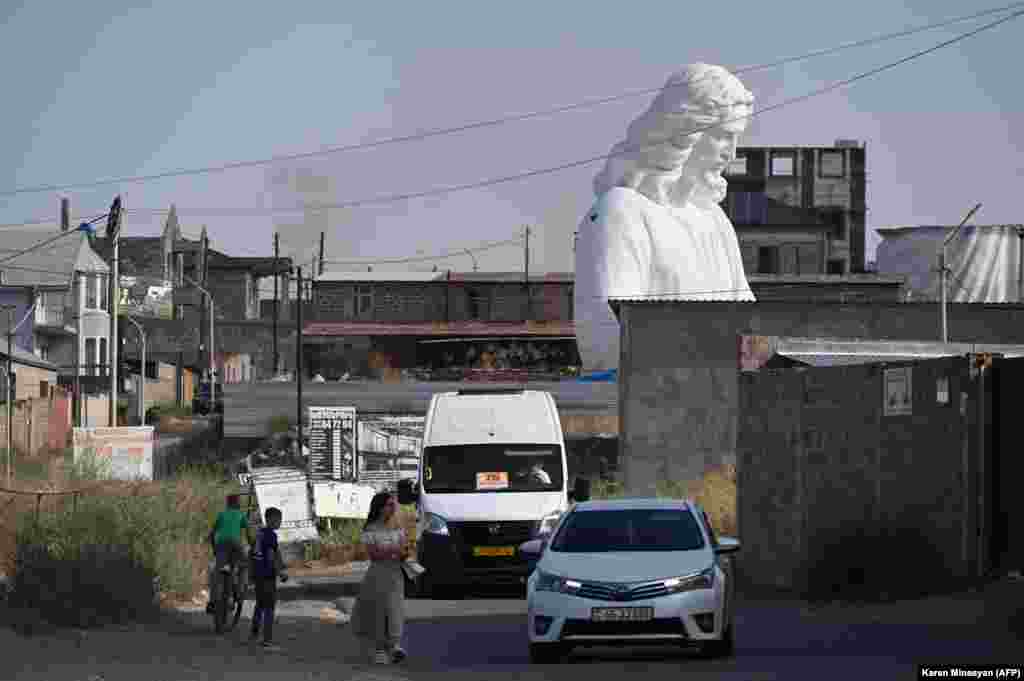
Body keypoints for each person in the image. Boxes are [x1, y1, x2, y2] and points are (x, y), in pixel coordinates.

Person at [574, 63, 757, 372]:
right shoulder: (621, 213)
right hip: (643, 404)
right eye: (724, 137)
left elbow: (750, 329)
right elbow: (603, 339)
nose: (732, 153)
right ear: (684, 132)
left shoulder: (715, 221)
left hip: (722, 399)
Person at [349, 491, 410, 665]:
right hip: (378, 574)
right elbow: (374, 555)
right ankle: (379, 649)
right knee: (379, 611)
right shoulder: (371, 529)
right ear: (380, 508)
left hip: (396, 574)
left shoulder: (398, 528)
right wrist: (394, 551)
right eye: (389, 505)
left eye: (394, 505)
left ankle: (394, 646)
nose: (393, 508)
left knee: (395, 609)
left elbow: (403, 549)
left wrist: (404, 554)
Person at [249, 506, 289, 652]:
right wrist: (280, 573)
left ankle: (254, 634)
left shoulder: (260, 533)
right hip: (267, 575)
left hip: (258, 575)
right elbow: (271, 557)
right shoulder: (271, 535)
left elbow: (253, 553)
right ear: (271, 519)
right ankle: (267, 640)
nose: (280, 522)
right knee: (269, 608)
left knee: (259, 604)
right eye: (279, 519)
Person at [206, 494, 252, 614]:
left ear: (227, 504)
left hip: (221, 546)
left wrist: (214, 549)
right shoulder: (241, 514)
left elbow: (212, 534)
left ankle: (212, 601)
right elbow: (249, 534)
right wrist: (253, 546)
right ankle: (240, 591)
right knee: (244, 565)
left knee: (216, 571)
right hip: (236, 545)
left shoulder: (221, 514)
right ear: (238, 504)